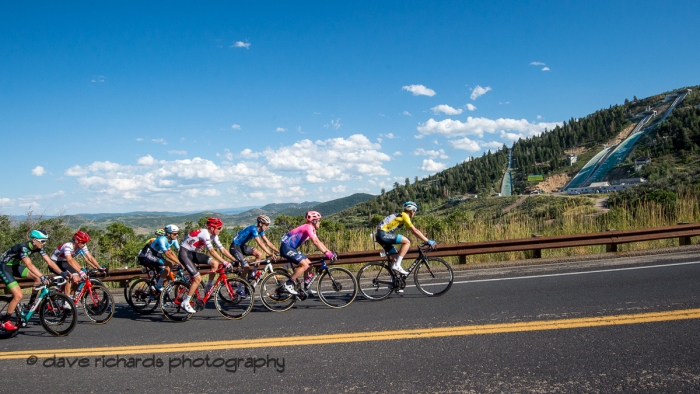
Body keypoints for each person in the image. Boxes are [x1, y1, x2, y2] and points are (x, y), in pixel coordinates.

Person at [0, 230, 64, 331]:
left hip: (14, 266)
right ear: (34, 240)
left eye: (45, 241)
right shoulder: (23, 248)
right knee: (18, 295)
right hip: (4, 268)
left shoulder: (38, 247)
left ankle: (31, 304)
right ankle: (5, 321)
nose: (44, 243)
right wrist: (42, 276)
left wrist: (61, 273)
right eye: (42, 241)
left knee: (37, 278)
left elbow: (49, 261)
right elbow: (29, 265)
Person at [178, 217, 236, 314]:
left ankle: (208, 286)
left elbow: (222, 249)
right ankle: (186, 302)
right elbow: (212, 251)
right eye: (219, 228)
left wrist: (234, 260)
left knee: (215, 264)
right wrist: (224, 262)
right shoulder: (205, 234)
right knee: (198, 279)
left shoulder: (213, 235)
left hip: (192, 254)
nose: (221, 230)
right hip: (184, 253)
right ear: (212, 228)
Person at [279, 211, 336, 295]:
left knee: (309, 265)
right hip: (286, 248)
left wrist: (329, 252)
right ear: (314, 221)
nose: (320, 223)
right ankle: (288, 284)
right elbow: (315, 242)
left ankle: (306, 287)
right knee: (304, 265)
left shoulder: (311, 229)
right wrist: (326, 253)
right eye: (319, 221)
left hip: (290, 248)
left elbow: (319, 242)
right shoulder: (308, 227)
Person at [375, 201, 437, 276]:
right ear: (412, 211)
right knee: (407, 242)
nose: (414, 213)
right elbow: (415, 231)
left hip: (379, 235)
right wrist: (428, 241)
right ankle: (398, 265)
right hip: (383, 234)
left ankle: (393, 282)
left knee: (394, 258)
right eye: (415, 211)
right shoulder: (405, 216)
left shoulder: (401, 215)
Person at [50, 230, 103, 296]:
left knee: (77, 279)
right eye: (83, 242)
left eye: (86, 242)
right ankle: (66, 301)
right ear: (76, 241)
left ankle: (72, 297)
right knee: (69, 277)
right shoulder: (68, 246)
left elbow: (90, 257)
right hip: (55, 263)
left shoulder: (82, 246)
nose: (84, 244)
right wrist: (80, 271)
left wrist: (99, 267)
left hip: (64, 262)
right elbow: (69, 260)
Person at [229, 215, 279, 284]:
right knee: (247, 267)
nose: (267, 227)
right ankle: (239, 289)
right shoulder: (253, 229)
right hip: (235, 246)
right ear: (261, 224)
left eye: (268, 225)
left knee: (259, 254)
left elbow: (268, 242)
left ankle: (252, 275)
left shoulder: (260, 231)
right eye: (266, 225)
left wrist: (279, 251)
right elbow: (260, 243)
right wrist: (270, 253)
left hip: (241, 246)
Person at [137, 225, 180, 290]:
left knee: (167, 268)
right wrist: (179, 262)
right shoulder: (162, 239)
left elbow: (171, 252)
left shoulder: (170, 240)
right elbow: (167, 254)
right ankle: (158, 285)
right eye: (175, 234)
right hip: (149, 255)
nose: (177, 235)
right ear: (168, 234)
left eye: (177, 233)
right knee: (169, 264)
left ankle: (161, 288)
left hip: (157, 255)